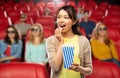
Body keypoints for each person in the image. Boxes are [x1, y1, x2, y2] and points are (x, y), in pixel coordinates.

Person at [46, 5, 92, 78]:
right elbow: (55, 67)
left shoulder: (83, 41)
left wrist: (80, 69)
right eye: (59, 17)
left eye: (66, 17)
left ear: (74, 22)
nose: (61, 20)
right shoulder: (51, 40)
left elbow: (89, 69)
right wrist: (61, 42)